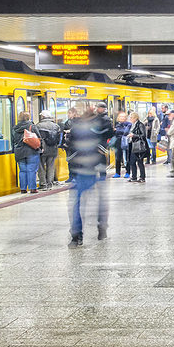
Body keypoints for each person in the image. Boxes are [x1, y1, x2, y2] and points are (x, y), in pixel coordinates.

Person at [65, 105, 113, 246]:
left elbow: (70, 147)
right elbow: (109, 140)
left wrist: (73, 160)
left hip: (82, 171)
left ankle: (77, 235)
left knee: (76, 204)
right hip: (95, 170)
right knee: (101, 201)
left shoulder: (76, 128)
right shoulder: (100, 126)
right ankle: (101, 228)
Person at [11, 111, 42, 194]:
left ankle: (23, 189)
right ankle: (32, 188)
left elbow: (13, 141)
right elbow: (39, 138)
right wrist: (41, 148)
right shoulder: (32, 126)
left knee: (22, 171)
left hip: (19, 152)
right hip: (31, 151)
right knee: (31, 170)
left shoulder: (15, 128)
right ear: (28, 117)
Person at [36, 110, 62, 190]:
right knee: (51, 166)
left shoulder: (38, 126)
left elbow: (37, 138)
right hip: (53, 149)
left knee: (41, 167)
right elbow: (58, 139)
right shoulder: (56, 126)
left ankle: (43, 184)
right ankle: (50, 184)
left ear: (43, 116)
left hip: (42, 150)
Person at [127, 112, 149, 183]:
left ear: (135, 118)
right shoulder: (132, 125)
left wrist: (134, 135)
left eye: (131, 117)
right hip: (133, 145)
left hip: (139, 146)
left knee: (140, 162)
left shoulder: (140, 124)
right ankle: (134, 177)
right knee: (132, 162)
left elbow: (143, 135)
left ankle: (142, 177)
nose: (130, 119)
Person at [113, 111, 133, 179]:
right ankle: (117, 172)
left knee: (126, 157)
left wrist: (117, 130)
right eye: (121, 116)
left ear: (126, 118)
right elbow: (115, 133)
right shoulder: (117, 124)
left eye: (124, 117)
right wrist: (117, 131)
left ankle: (128, 172)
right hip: (118, 142)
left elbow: (125, 132)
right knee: (118, 157)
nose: (122, 118)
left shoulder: (129, 124)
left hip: (125, 142)